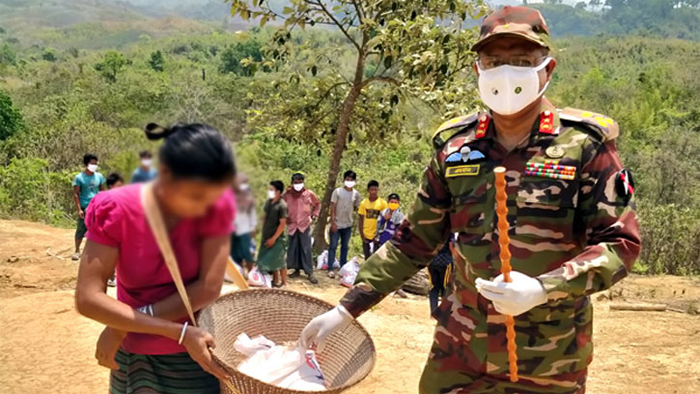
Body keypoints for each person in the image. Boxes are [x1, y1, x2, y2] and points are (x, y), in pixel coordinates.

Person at [299, 6, 641, 394]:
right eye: (493, 61)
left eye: (521, 60)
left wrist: (545, 287)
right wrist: (348, 307)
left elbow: (619, 243)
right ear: (478, 69)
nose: (505, 71)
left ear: (547, 69)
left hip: (547, 357)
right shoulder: (456, 147)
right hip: (459, 350)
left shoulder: (584, 146)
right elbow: (414, 243)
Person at [75, 123, 237, 394]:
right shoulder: (115, 208)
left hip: (193, 354)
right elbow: (88, 298)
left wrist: (121, 327)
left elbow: (208, 288)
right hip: (145, 350)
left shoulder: (218, 206)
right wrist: (178, 332)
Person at [283, 172, 321, 284]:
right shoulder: (288, 195)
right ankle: (296, 269)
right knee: (293, 248)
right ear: (292, 183)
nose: (298, 184)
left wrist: (314, 215)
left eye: (300, 182)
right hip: (292, 225)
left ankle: (309, 272)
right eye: (295, 182)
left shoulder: (308, 194)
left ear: (303, 183)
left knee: (306, 248)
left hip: (304, 225)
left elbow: (317, 204)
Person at [72, 153, 106, 261]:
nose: (94, 166)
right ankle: (77, 251)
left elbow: (102, 191)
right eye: (92, 163)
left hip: (97, 206)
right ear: (86, 164)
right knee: (81, 229)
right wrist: (79, 209)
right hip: (85, 206)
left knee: (98, 230)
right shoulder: (79, 178)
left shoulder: (99, 176)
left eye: (96, 164)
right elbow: (76, 194)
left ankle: (96, 252)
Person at [327, 170, 361, 278]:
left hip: (348, 224)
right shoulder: (337, 192)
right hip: (337, 223)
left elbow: (357, 207)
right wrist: (333, 222)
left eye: (351, 180)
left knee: (345, 247)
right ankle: (330, 268)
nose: (349, 181)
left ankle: (343, 267)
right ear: (344, 179)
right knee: (333, 246)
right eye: (347, 179)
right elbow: (333, 207)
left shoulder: (356, 194)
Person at [257, 180, 288, 288]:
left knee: (280, 260)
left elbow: (282, 224)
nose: (269, 192)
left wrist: (274, 238)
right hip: (267, 235)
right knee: (272, 260)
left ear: (278, 192)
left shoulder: (282, 205)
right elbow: (264, 217)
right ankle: (275, 280)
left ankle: (284, 282)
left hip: (277, 238)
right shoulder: (269, 202)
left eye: (272, 190)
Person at [231, 173, 257, 275]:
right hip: (233, 229)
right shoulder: (231, 195)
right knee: (235, 253)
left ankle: (251, 274)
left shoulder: (248, 197)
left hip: (245, 228)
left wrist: (253, 227)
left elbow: (252, 213)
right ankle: (240, 274)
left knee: (247, 252)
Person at [358, 180, 388, 260]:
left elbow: (385, 220)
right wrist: (362, 235)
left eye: (375, 190)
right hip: (366, 234)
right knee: (367, 258)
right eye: (372, 190)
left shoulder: (383, 203)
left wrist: (379, 234)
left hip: (377, 235)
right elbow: (361, 219)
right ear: (368, 191)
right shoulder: (363, 203)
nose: (374, 192)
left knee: (376, 258)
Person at [427, 239, 453, 316]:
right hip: (446, 262)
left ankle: (433, 311)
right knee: (446, 288)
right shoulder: (449, 231)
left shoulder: (432, 229)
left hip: (431, 261)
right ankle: (444, 313)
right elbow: (452, 245)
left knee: (434, 287)